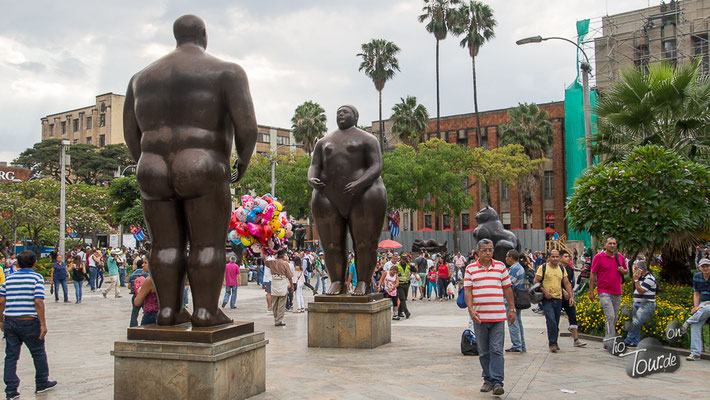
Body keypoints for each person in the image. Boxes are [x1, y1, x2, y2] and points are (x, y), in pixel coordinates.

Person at [124, 14, 258, 327]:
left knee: (164, 245)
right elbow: (248, 128)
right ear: (203, 35)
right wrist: (243, 159)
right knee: (207, 244)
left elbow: (131, 134)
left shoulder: (140, 79)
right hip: (202, 162)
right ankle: (205, 311)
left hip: (152, 165)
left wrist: (144, 162)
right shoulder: (227, 71)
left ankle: (168, 311)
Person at [308, 105, 387, 295]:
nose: (340, 114)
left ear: (356, 116)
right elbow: (314, 165)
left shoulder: (368, 139)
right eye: (338, 112)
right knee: (331, 244)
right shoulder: (324, 141)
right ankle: (337, 281)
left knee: (364, 243)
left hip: (365, 194)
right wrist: (311, 179)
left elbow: (376, 166)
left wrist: (360, 183)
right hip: (328, 195)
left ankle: (363, 282)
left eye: (345, 112)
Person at [0, 250, 57, 398]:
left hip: (10, 322)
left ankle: (11, 390)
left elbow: (1, 301)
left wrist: (1, 320)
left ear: (17, 263)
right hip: (30, 322)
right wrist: (43, 324)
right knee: (38, 353)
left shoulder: (9, 279)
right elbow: (38, 301)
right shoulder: (36, 278)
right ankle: (41, 382)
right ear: (35, 263)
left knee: (11, 356)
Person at [464, 239, 515, 396]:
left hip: (498, 316)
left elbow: (507, 288)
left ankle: (498, 382)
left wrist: (512, 308)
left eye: (490, 250)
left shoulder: (500, 267)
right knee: (484, 351)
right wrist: (471, 310)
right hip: (480, 318)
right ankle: (487, 379)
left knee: (496, 350)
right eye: (485, 250)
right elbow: (468, 291)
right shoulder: (471, 269)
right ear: (478, 251)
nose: (488, 252)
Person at [534, 249, 574, 353]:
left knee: (556, 322)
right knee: (551, 320)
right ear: (549, 257)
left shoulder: (561, 268)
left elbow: (567, 283)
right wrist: (544, 291)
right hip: (547, 299)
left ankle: (554, 341)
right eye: (553, 257)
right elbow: (536, 282)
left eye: (557, 257)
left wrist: (570, 296)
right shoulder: (543, 268)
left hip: (558, 298)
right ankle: (552, 343)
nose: (555, 259)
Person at [589, 237, 627, 344]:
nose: (612, 245)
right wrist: (591, 291)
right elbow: (593, 274)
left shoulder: (619, 257)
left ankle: (608, 339)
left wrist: (622, 270)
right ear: (605, 245)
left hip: (617, 291)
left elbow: (626, 271)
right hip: (604, 292)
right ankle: (610, 341)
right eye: (610, 243)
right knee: (610, 316)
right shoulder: (598, 257)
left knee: (614, 317)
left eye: (614, 243)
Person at [680, 258, 710, 360]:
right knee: (696, 325)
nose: (705, 268)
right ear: (700, 267)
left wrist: (701, 306)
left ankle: (688, 322)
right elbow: (696, 293)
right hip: (703, 304)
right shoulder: (697, 277)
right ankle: (695, 353)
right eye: (703, 266)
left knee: (706, 308)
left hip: (707, 305)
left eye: (707, 266)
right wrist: (696, 307)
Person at [624, 260, 656, 348]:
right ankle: (635, 342)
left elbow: (641, 291)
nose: (634, 272)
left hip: (646, 304)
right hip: (637, 303)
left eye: (635, 269)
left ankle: (628, 340)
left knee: (636, 322)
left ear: (641, 269)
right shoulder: (640, 278)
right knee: (636, 323)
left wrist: (636, 280)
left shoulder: (649, 278)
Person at [559, 250, 587, 348]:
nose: (568, 258)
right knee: (554, 319)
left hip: (567, 297)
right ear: (560, 258)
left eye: (568, 257)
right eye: (565, 256)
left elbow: (569, 284)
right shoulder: (556, 268)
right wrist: (562, 290)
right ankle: (553, 340)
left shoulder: (570, 269)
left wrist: (571, 296)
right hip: (557, 297)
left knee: (572, 315)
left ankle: (576, 339)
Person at [504, 250, 526, 353]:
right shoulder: (519, 267)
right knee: (518, 321)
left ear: (511, 257)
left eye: (507, 257)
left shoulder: (514, 269)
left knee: (512, 321)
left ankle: (517, 344)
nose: (506, 259)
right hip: (517, 298)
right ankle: (521, 344)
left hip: (512, 299)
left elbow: (509, 284)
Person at [264, 250, 293, 326]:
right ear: (283, 256)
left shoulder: (272, 262)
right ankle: (279, 320)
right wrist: (292, 286)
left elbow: (265, 261)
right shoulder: (285, 264)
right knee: (281, 303)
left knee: (275, 303)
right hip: (282, 282)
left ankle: (276, 318)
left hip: (274, 282)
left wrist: (263, 252)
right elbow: (289, 276)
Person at [128, 259, 150, 327]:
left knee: (134, 313)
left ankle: (133, 326)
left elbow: (129, 286)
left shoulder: (133, 274)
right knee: (146, 312)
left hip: (135, 296)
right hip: (145, 297)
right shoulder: (146, 274)